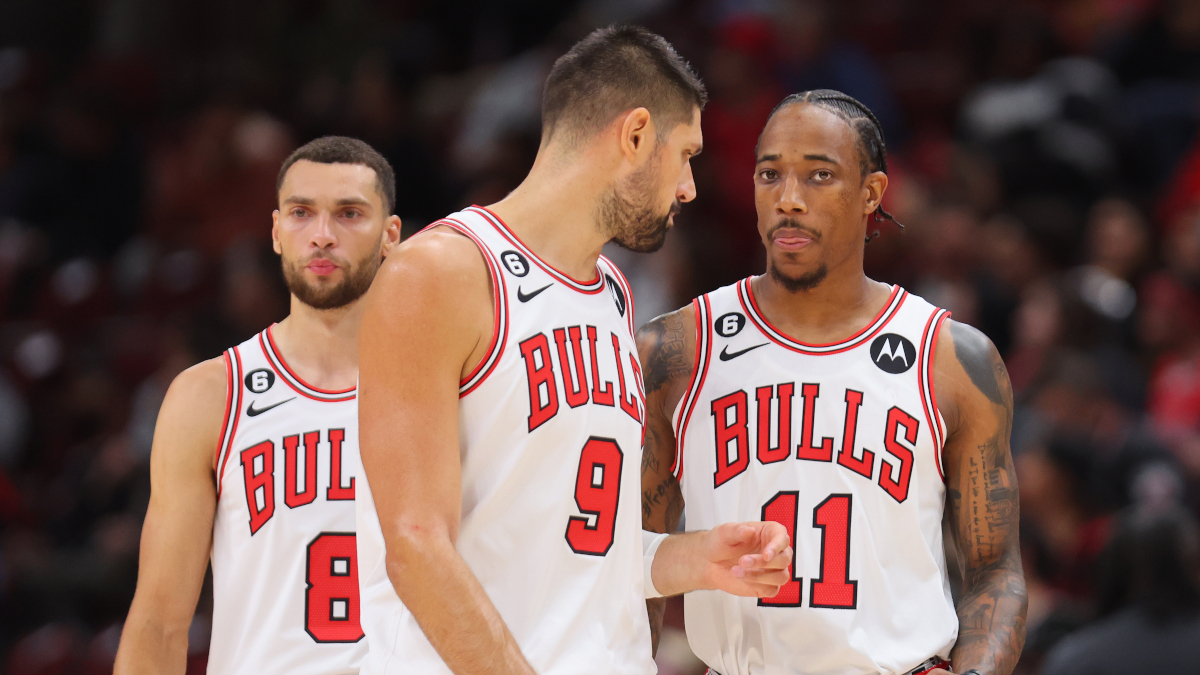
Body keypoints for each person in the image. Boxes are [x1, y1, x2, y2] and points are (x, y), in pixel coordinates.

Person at [355, 25, 793, 675]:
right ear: (636, 134)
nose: (689, 187)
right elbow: (417, 547)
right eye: (685, 155)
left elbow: (576, 548)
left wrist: (693, 558)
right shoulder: (442, 272)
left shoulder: (612, 292)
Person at [638, 90, 1028, 675]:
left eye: (820, 175)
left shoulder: (950, 359)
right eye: (770, 174)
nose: (789, 199)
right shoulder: (675, 352)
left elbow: (995, 570)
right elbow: (634, 561)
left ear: (872, 193)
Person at [114, 136, 402, 675]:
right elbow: (159, 622)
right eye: (301, 213)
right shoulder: (211, 396)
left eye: (349, 214)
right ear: (275, 231)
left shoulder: (450, 388)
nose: (322, 235)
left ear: (390, 236)